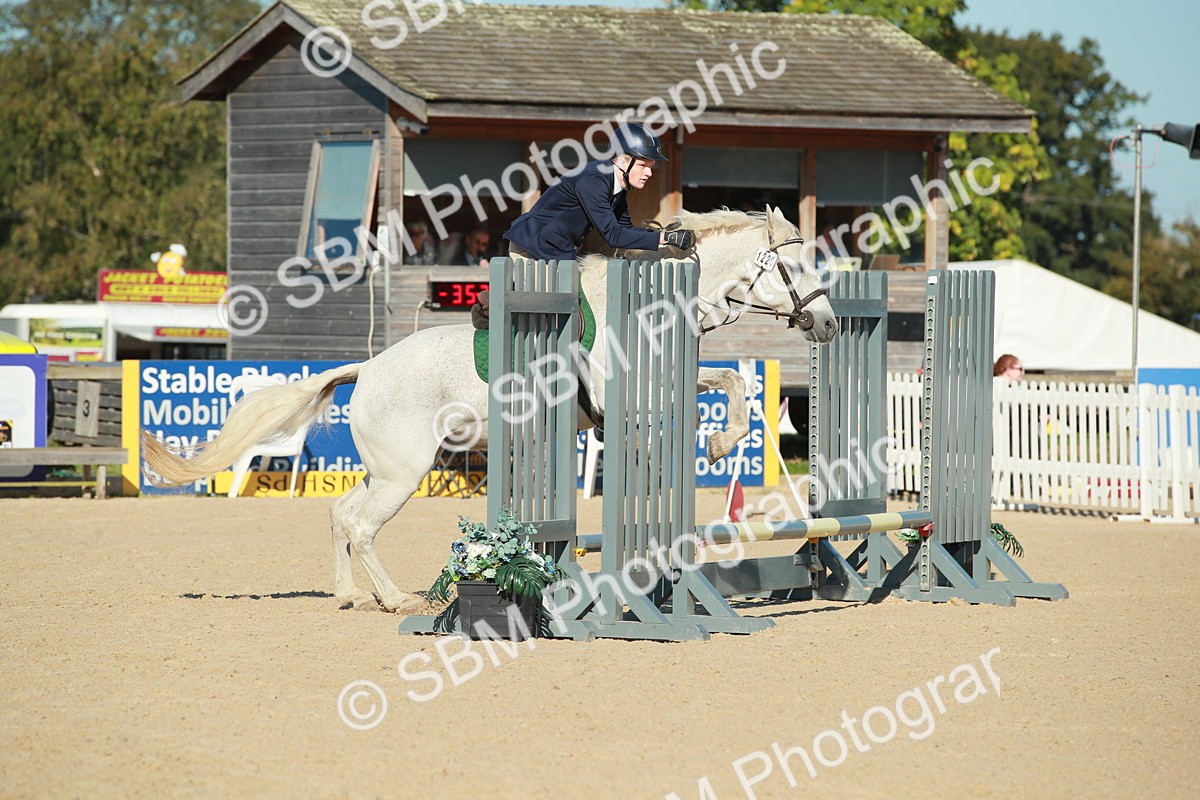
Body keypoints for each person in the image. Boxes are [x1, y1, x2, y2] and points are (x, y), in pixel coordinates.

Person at [471, 123, 695, 329]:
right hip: (533, 249)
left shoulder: (617, 188)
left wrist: (664, 235)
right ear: (623, 161)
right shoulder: (594, 181)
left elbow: (626, 229)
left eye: (651, 166)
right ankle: (496, 312)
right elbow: (614, 236)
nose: (649, 172)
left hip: (555, 252)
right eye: (645, 165)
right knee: (562, 314)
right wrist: (664, 239)